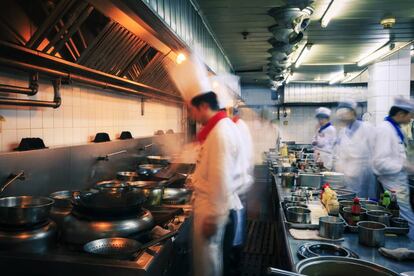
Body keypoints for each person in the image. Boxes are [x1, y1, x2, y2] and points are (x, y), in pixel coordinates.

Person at [168, 55, 243, 276]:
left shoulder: (220, 133)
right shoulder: (220, 128)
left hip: (212, 210)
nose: (191, 116)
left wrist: (213, 217)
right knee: (207, 263)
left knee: (207, 267)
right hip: (211, 207)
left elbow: (222, 179)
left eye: (191, 110)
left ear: (202, 105)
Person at [372, 97, 414, 240]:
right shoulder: (385, 130)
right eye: (410, 115)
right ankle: (406, 255)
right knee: (406, 224)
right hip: (393, 188)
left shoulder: (395, 129)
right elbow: (379, 163)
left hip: (398, 185)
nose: (411, 118)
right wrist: (404, 165)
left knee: (403, 223)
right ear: (401, 114)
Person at [333, 100, 376, 198]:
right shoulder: (343, 132)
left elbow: (377, 150)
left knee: (363, 204)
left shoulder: (367, 128)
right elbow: (339, 154)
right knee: (349, 204)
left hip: (364, 178)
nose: (342, 118)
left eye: (345, 114)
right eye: (340, 116)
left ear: (353, 113)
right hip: (347, 179)